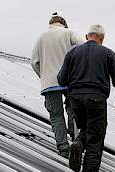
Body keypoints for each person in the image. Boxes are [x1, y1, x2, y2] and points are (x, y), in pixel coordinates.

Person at [57, 24, 115, 172]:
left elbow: (61, 79)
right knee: (96, 139)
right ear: (101, 38)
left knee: (86, 129)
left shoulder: (73, 53)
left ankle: (78, 144)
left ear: (87, 36)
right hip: (96, 99)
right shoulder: (108, 53)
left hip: (76, 99)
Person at [31, 11, 84, 158]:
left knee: (56, 115)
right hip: (69, 80)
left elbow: (34, 62)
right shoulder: (68, 33)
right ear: (63, 22)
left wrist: (44, 76)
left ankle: (63, 147)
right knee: (73, 109)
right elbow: (84, 46)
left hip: (49, 83)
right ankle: (75, 139)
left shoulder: (41, 38)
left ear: (51, 22)